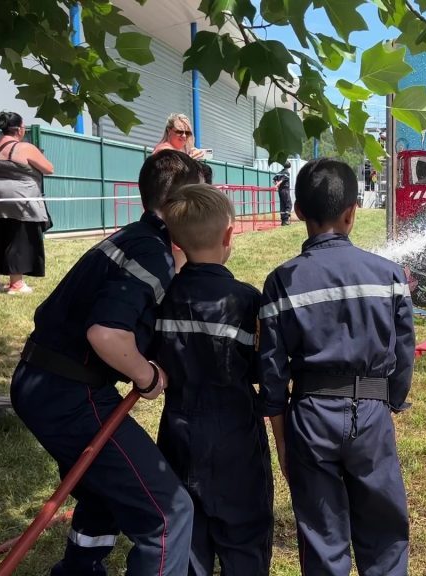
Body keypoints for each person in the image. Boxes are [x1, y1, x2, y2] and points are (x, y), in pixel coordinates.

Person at [9, 150, 204, 575]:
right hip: (70, 392)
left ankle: (78, 570)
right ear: (179, 203)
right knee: (168, 515)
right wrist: (148, 375)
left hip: (38, 377)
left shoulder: (134, 237)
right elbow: (106, 333)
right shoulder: (151, 253)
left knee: (105, 487)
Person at [259, 158, 415, 575]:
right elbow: (404, 349)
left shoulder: (280, 282)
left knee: (321, 533)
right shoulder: (389, 275)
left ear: (298, 212)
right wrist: (391, 402)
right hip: (371, 416)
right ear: (352, 212)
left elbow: (272, 373)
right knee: (384, 530)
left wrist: (282, 442)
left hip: (309, 419)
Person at [151, 184, 273, 576]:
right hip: (234, 433)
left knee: (188, 536)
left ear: (176, 241)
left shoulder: (161, 298)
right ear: (228, 235)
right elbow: (259, 367)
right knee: (245, 533)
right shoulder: (244, 300)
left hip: (176, 431)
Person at [0, 111, 54, 294]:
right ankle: (16, 283)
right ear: (19, 129)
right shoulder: (24, 147)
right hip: (19, 198)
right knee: (18, 238)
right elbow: (48, 168)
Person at [274, 161, 291, 226]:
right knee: (288, 204)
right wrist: (277, 185)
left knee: (282, 204)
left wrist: (277, 185)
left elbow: (274, 180)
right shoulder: (286, 173)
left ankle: (283, 221)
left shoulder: (278, 173)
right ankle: (286, 220)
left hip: (280, 190)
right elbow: (282, 180)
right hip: (285, 190)